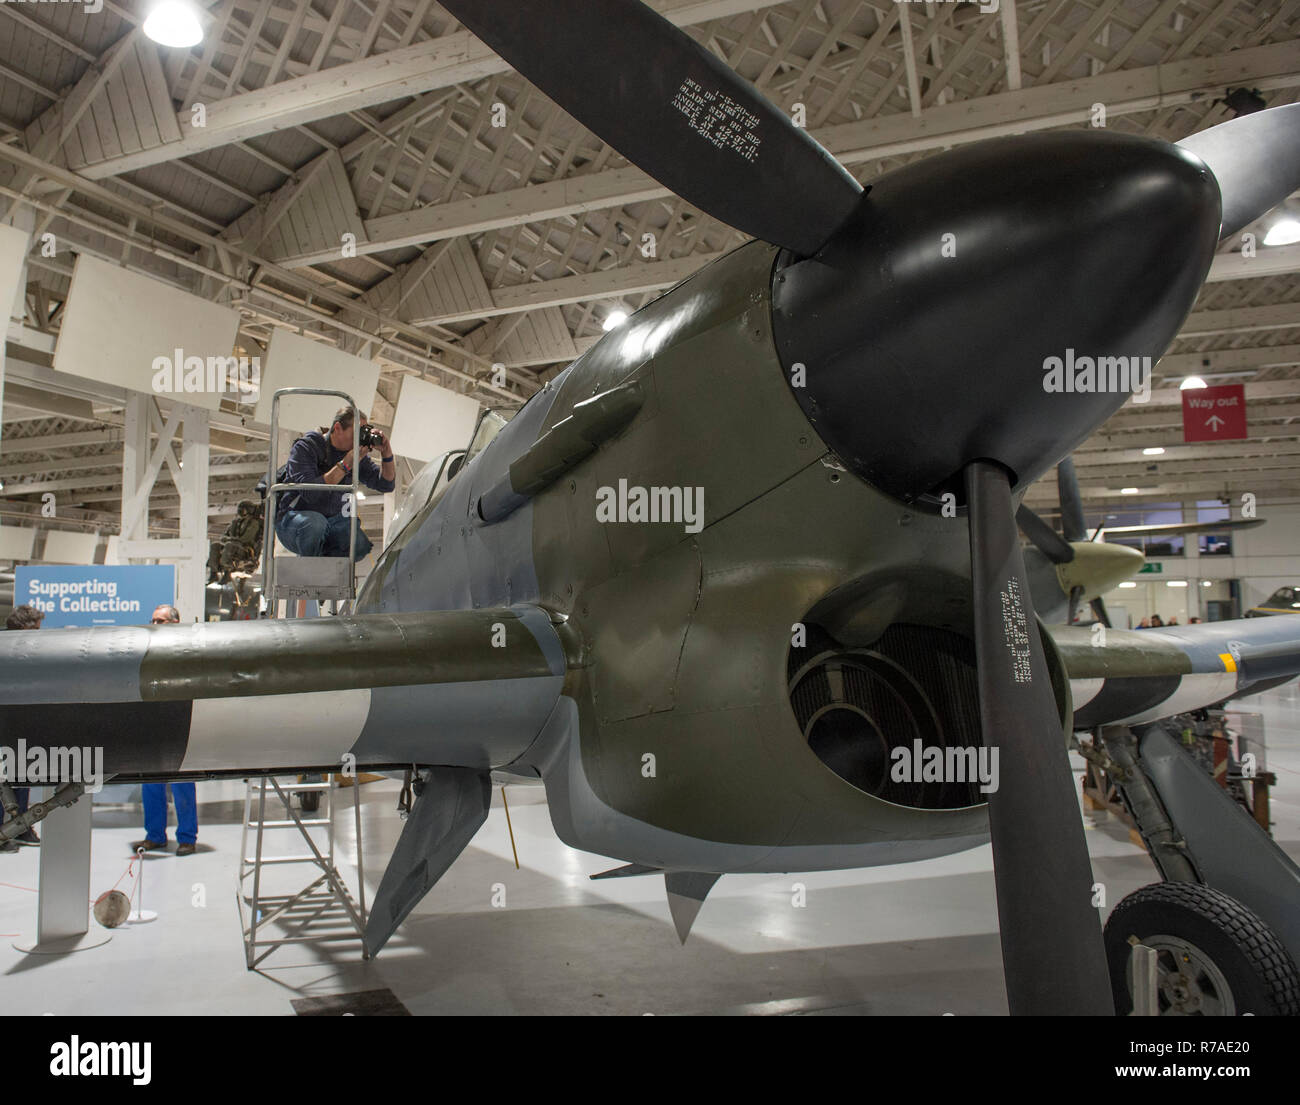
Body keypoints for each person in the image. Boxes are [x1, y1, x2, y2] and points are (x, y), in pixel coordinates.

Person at [273, 408, 395, 561]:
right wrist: (345, 465)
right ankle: (310, 572)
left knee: (358, 543)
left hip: (331, 523)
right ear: (337, 428)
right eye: (356, 433)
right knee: (316, 525)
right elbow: (311, 493)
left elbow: (386, 484)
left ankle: (327, 571)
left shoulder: (354, 455)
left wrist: (387, 454)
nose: (359, 440)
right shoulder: (307, 447)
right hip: (294, 522)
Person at [132, 605, 199, 857]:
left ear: (175, 622)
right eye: (153, 620)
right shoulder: (147, 649)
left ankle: (187, 838)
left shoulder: (187, 650)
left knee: (183, 784)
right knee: (150, 785)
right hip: (152, 725)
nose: (155, 624)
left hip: (179, 724)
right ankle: (155, 836)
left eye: (161, 621)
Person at [2, 605, 44, 853]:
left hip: (20, 728)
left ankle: (19, 829)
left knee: (20, 779)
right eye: (36, 629)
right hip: (7, 727)